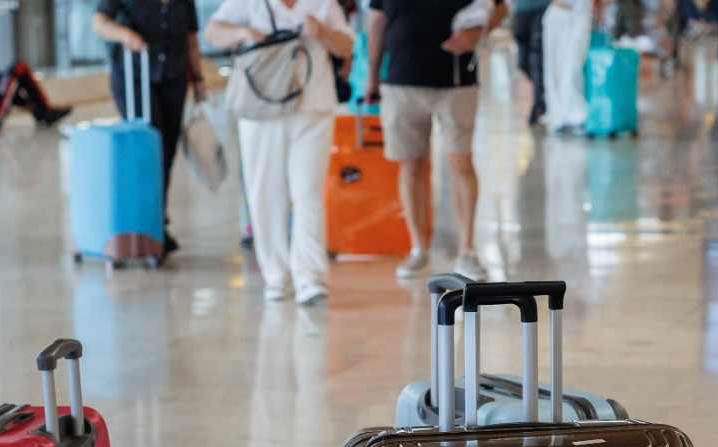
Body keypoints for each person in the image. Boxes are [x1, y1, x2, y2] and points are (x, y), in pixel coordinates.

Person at [205, 0, 353, 305]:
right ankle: (276, 275)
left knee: (308, 193)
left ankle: (310, 277)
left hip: (312, 107)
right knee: (265, 194)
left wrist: (322, 32)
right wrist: (244, 32)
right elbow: (213, 31)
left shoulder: (323, 3)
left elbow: (346, 46)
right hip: (261, 110)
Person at [364, 0, 509, 280]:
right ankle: (418, 248)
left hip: (456, 81)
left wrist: (478, 33)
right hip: (401, 79)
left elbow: (500, 8)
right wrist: (372, 75)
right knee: (412, 165)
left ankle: (466, 251)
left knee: (460, 162)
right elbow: (377, 22)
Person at [93, 0, 209, 255]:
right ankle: (139, 226)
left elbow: (190, 37)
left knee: (166, 152)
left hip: (173, 76)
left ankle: (157, 224)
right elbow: (99, 22)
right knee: (147, 150)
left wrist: (198, 78)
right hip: (133, 75)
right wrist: (125, 35)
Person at [541, 0, 597, 136]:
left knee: (573, 68)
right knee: (554, 70)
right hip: (557, 13)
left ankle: (577, 116)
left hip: (580, 16)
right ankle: (558, 117)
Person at [511, 0, 550, 126]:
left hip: (541, 8)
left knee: (536, 56)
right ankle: (539, 96)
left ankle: (537, 103)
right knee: (522, 62)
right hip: (521, 10)